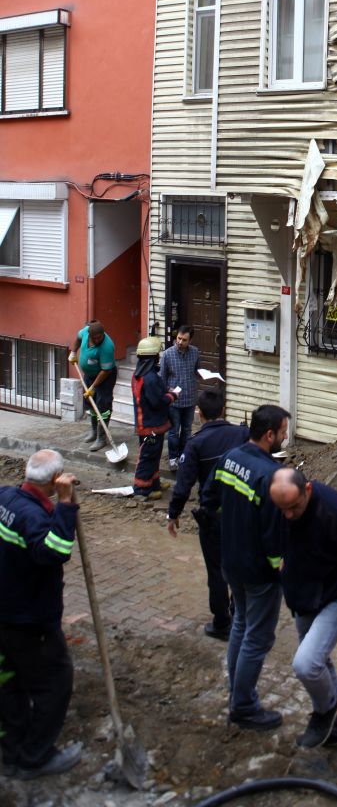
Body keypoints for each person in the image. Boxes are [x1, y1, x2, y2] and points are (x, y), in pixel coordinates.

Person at [270, 466, 337, 749]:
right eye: (282, 509)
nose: (288, 515)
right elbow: (281, 534)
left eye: (293, 507)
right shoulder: (284, 506)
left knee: (306, 664)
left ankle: (325, 712)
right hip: (303, 595)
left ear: (307, 489)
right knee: (318, 661)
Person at [204, 403, 289, 731]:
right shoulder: (269, 475)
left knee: (240, 623)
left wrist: (232, 526)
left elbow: (209, 499)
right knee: (258, 637)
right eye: (282, 433)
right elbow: (273, 533)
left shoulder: (230, 458)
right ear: (269, 435)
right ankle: (242, 706)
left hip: (231, 562)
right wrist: (278, 568)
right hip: (258, 571)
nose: (285, 438)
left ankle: (236, 691)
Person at [0, 450, 82, 779]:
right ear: (54, 481)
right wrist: (66, 504)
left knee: (10, 681)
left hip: (5, 611)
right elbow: (56, 551)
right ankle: (35, 757)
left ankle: (11, 749)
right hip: (29, 620)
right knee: (55, 682)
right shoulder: (34, 518)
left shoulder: (5, 497)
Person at [166, 388, 249, 640]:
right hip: (243, 513)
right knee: (240, 565)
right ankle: (240, 615)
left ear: (199, 414)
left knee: (217, 571)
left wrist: (173, 513)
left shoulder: (196, 444)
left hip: (213, 517)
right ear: (223, 409)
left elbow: (183, 485)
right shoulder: (242, 434)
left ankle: (222, 623)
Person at [131, 336, 180, 500]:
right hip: (150, 426)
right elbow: (157, 402)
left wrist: (165, 390)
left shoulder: (140, 374)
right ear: (153, 357)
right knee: (148, 456)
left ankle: (154, 483)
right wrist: (172, 395)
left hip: (148, 423)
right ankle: (142, 489)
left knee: (154, 455)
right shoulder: (150, 378)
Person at [68, 320, 118, 452]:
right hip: (89, 375)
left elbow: (106, 371)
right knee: (90, 402)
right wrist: (73, 352)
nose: (97, 340)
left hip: (105, 377)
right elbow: (78, 338)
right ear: (89, 335)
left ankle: (101, 438)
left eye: (99, 337)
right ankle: (94, 431)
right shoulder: (85, 332)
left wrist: (94, 387)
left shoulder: (107, 346)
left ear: (103, 334)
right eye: (95, 338)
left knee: (103, 405)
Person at [161, 325, 200, 472]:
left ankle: (183, 456)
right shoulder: (167, 354)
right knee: (173, 431)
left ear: (190, 340)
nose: (180, 342)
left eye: (184, 340)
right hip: (174, 401)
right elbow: (162, 379)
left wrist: (203, 374)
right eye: (178, 338)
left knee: (187, 430)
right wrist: (168, 390)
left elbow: (196, 371)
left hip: (190, 398)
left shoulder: (195, 352)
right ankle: (173, 458)